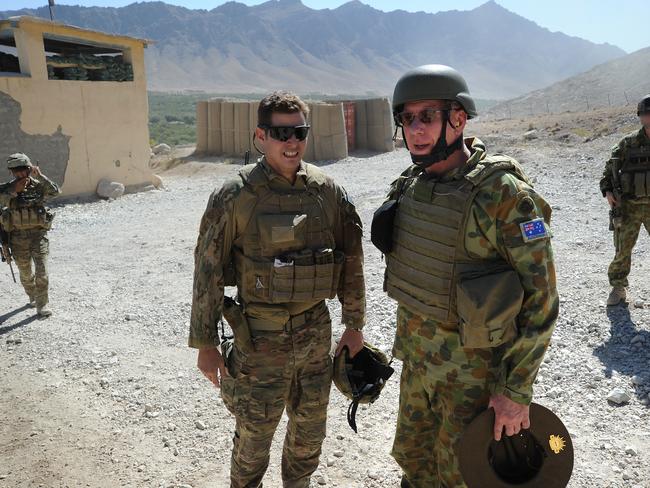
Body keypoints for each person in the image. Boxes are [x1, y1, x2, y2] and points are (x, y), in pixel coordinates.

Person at [374, 65, 558, 487]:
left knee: (466, 475)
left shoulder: (505, 196)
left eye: (427, 117)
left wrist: (515, 391)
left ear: (458, 118)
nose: (415, 130)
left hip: (475, 379)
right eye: (407, 119)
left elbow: (542, 301)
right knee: (415, 464)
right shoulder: (411, 185)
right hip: (419, 364)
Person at [188, 92, 366, 488]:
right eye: (280, 132)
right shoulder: (234, 196)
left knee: (309, 437)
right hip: (259, 339)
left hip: (314, 336)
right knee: (254, 439)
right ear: (260, 136)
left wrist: (353, 324)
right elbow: (208, 272)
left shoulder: (327, 192)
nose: (291, 142)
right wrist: (205, 344)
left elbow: (351, 259)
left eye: (298, 132)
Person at [600, 94, 650, 306]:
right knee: (622, 250)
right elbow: (607, 171)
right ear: (640, 117)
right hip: (628, 206)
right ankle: (618, 288)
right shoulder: (627, 143)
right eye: (646, 114)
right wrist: (608, 191)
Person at [0, 153, 60, 317]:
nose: (20, 174)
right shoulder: (5, 188)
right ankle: (32, 295)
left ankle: (42, 305)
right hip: (17, 238)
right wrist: (13, 191)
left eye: (23, 169)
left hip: (38, 235)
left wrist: (40, 176)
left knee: (42, 272)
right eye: (16, 171)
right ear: (12, 172)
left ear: (29, 168)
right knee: (26, 274)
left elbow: (55, 192)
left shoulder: (38, 186)